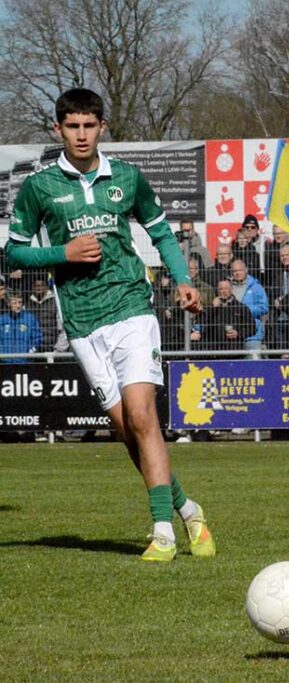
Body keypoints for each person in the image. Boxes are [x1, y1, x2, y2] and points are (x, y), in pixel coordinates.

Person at [4, 88, 215, 561]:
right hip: (81, 320)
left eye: (90, 125)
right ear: (58, 130)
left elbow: (160, 230)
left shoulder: (126, 177)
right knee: (127, 429)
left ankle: (161, 531)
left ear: (102, 127)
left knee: (143, 416)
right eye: (73, 126)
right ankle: (186, 508)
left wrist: (182, 279)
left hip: (131, 307)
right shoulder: (39, 188)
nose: (82, 134)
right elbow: (13, 251)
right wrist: (64, 253)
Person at [192, 279, 256, 351]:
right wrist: (213, 308)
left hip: (234, 349)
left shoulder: (240, 307)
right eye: (221, 289)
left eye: (226, 288)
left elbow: (252, 328)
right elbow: (201, 324)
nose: (223, 291)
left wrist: (238, 333)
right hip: (212, 350)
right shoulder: (209, 307)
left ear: (231, 289)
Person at [229, 259, 268, 351]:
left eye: (240, 270)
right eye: (235, 271)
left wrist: (245, 311)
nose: (237, 273)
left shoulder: (256, 287)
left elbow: (264, 307)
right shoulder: (229, 287)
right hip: (233, 334)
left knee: (253, 362)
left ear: (246, 270)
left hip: (252, 334)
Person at [0, 292, 43, 362]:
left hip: (25, 362)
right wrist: (2, 355)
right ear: (9, 304)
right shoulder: (2, 320)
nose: (18, 306)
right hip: (5, 362)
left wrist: (30, 352)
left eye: (20, 302)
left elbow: (38, 338)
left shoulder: (30, 318)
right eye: (15, 303)